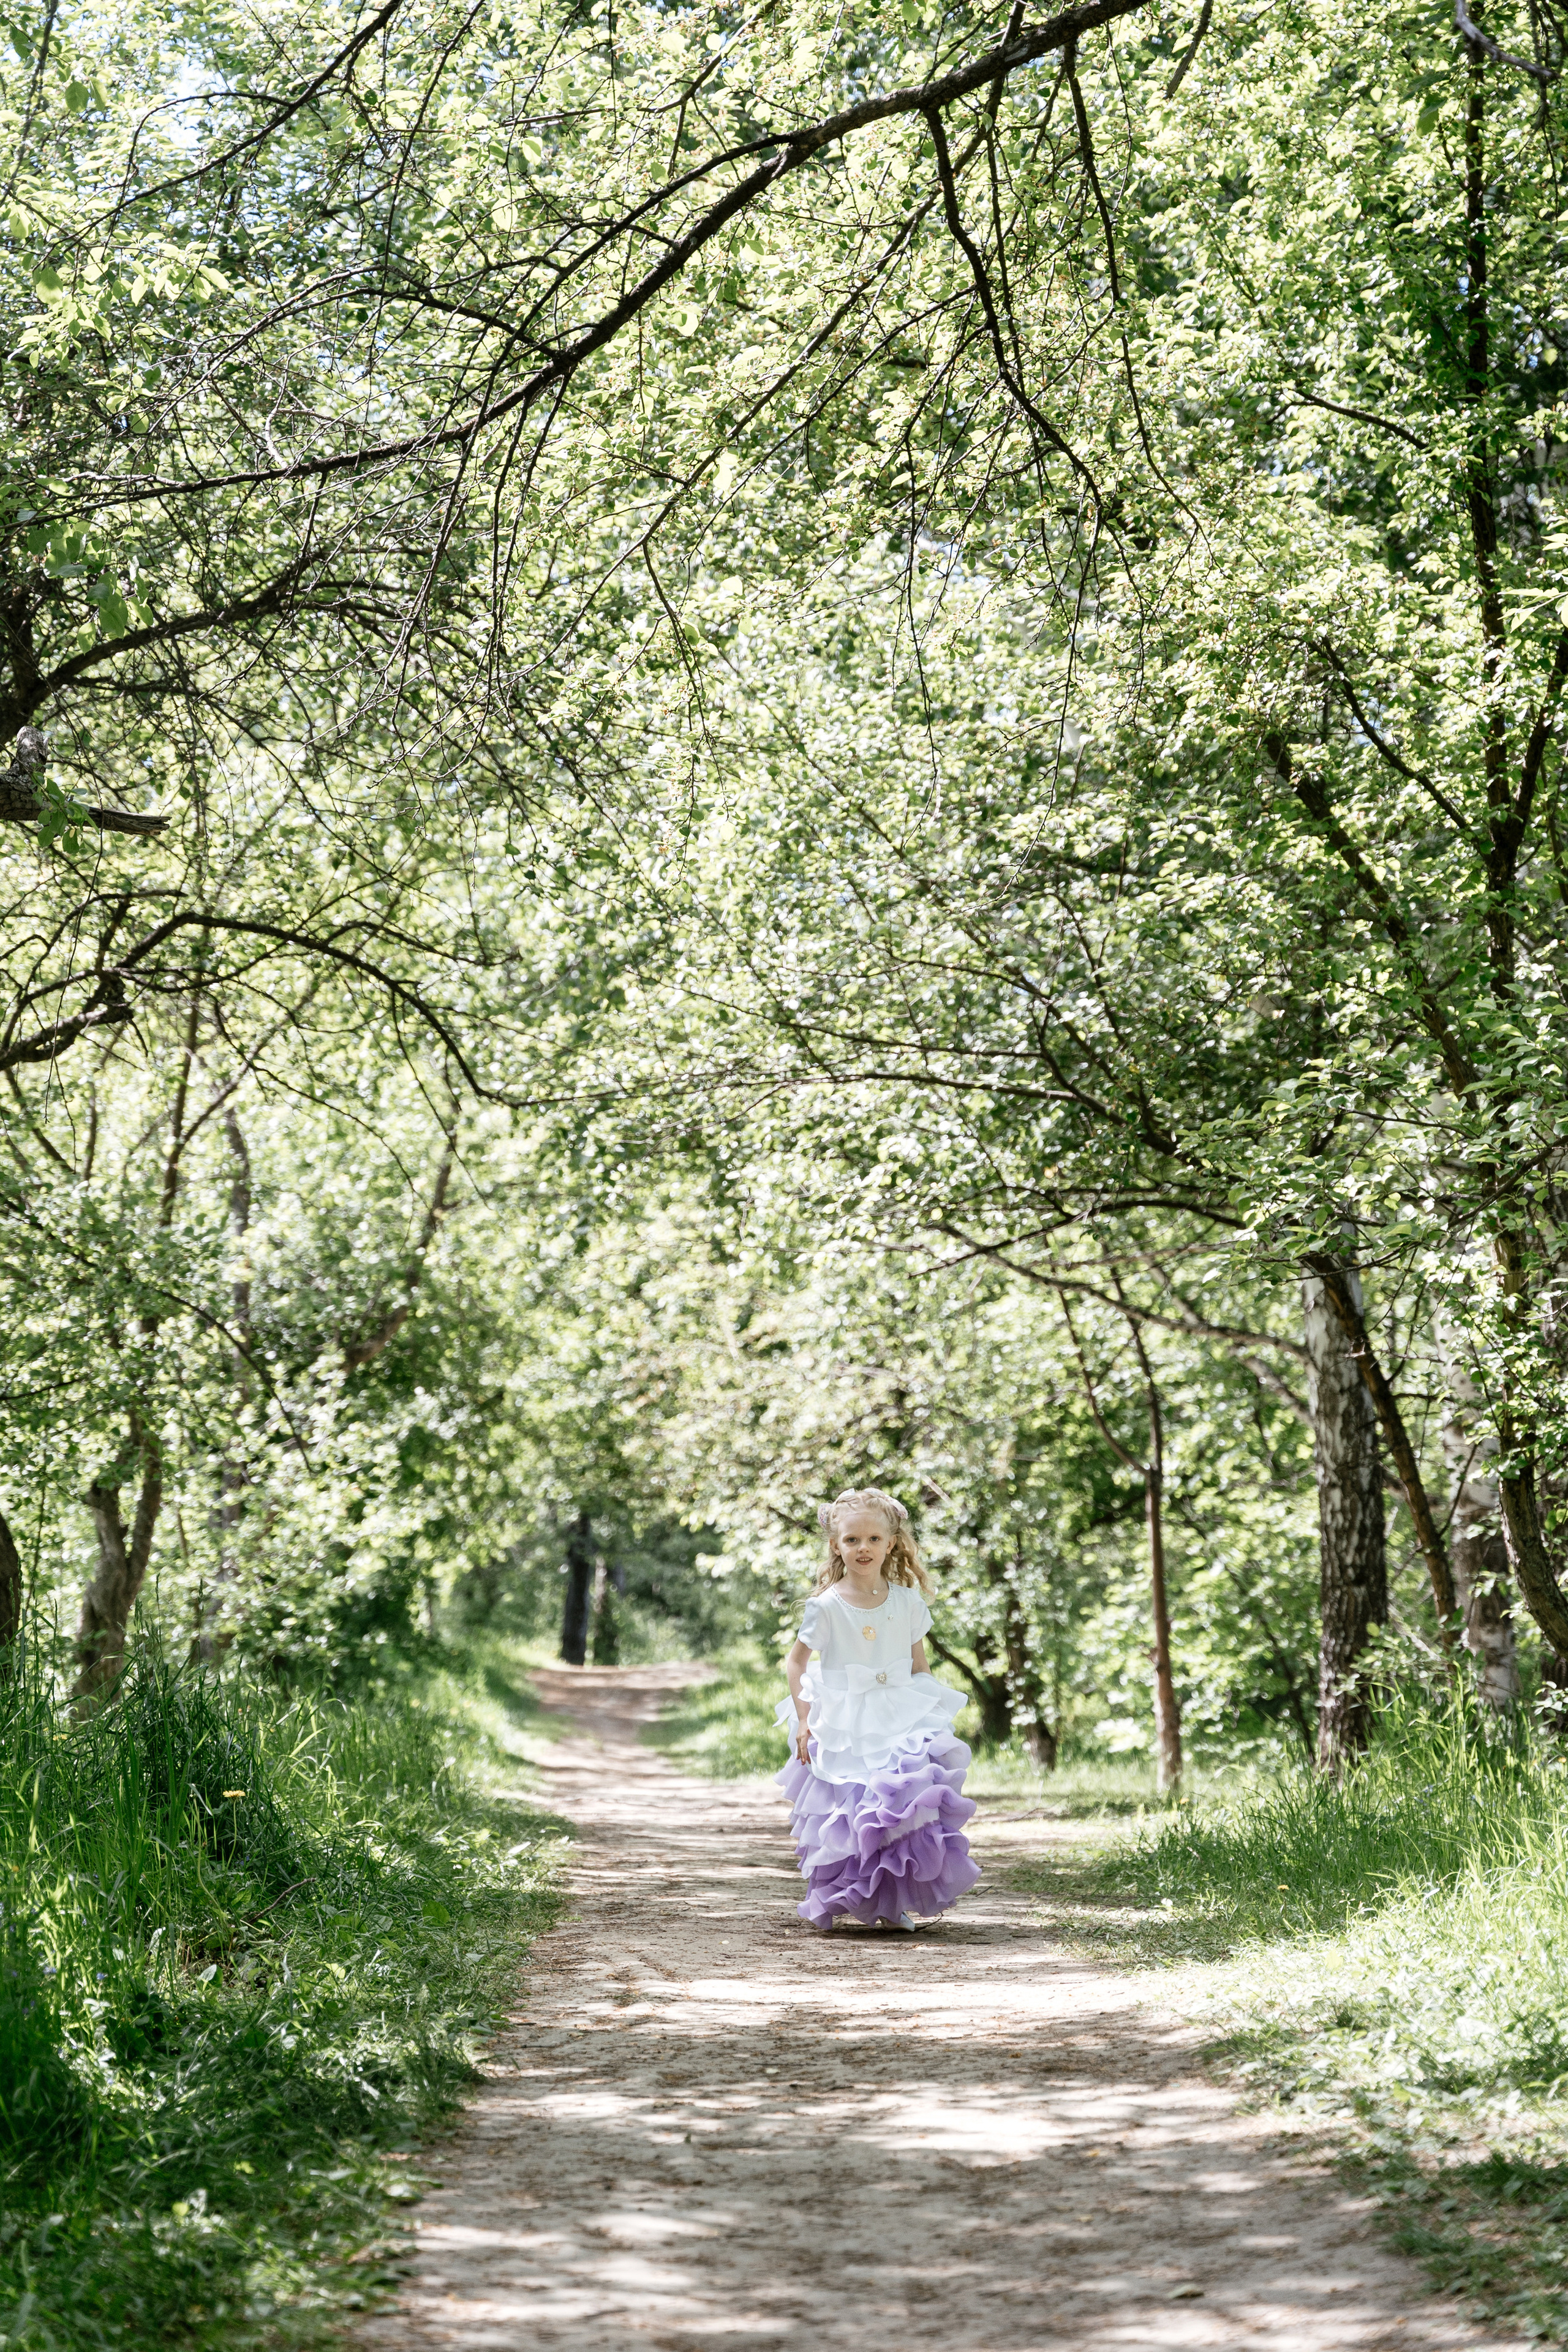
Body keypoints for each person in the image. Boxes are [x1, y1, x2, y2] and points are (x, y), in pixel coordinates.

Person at [775, 1487, 980, 1931]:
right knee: (851, 1807)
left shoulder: (907, 1602)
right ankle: (847, 1894)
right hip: (845, 1716)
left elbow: (919, 1665)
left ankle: (893, 1903)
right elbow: (796, 1662)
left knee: (899, 1803)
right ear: (836, 1545)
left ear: (891, 1544)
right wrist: (806, 1719)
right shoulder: (826, 1607)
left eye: (872, 1539)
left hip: (900, 1709)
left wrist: (931, 1719)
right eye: (851, 1540)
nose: (862, 1548)